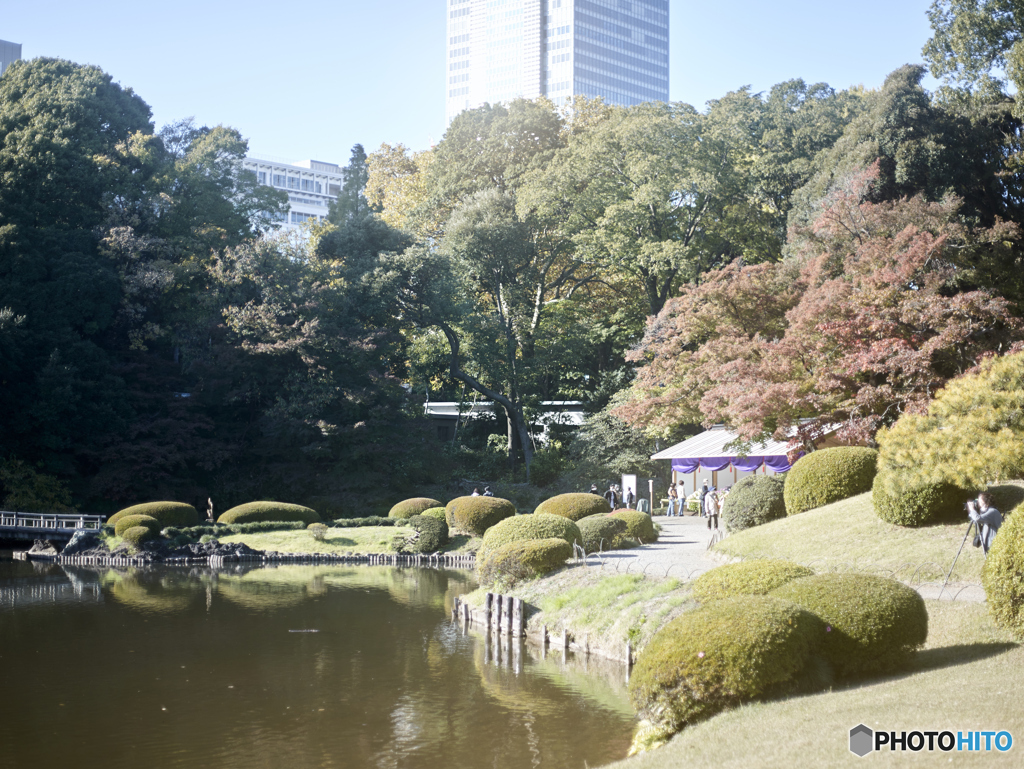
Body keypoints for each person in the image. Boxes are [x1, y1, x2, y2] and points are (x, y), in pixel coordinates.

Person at [968, 491, 1003, 556]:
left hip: (994, 545)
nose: (978, 503)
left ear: (986, 502)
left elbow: (977, 518)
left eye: (980, 501)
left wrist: (972, 509)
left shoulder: (992, 512)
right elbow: (975, 519)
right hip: (990, 545)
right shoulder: (987, 511)